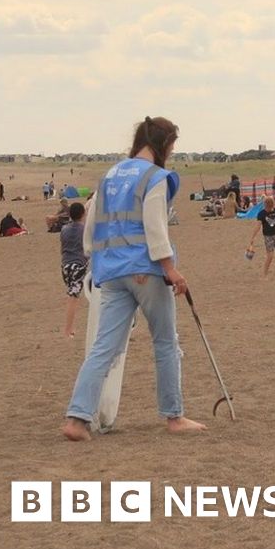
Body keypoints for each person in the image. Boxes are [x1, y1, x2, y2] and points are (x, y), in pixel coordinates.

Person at [62, 116, 206, 441]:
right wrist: (170, 268)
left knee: (103, 348)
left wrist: (95, 260)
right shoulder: (155, 177)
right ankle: (174, 416)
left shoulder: (111, 175)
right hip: (146, 271)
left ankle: (77, 418)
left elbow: (92, 222)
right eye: (171, 145)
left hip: (111, 273)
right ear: (162, 144)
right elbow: (155, 226)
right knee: (166, 343)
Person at [60, 202, 88, 338]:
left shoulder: (64, 229)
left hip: (65, 265)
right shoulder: (84, 229)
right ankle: (68, 329)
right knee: (73, 297)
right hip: (78, 265)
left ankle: (70, 327)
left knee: (71, 295)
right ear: (83, 214)